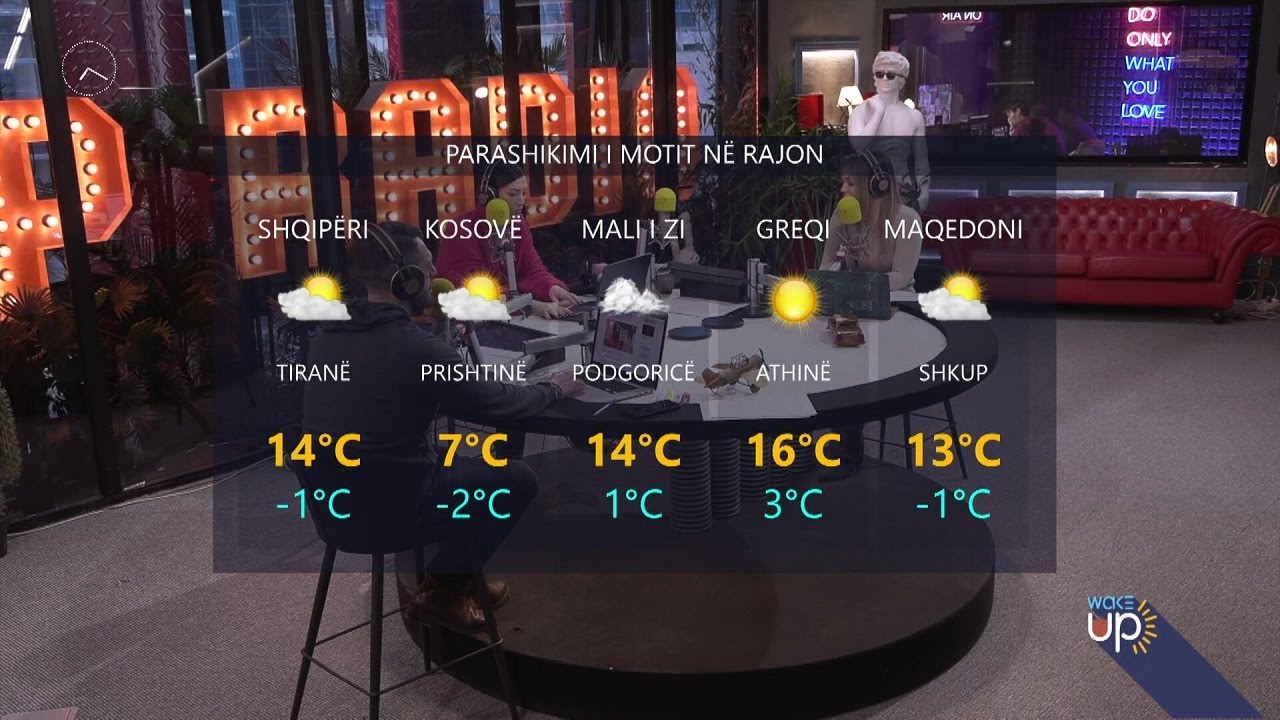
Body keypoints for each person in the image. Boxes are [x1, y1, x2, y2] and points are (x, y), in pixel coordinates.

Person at [303, 221, 583, 628]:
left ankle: (455, 576)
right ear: (408, 280)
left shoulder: (326, 337)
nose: (436, 274)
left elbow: (384, 395)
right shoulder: (417, 350)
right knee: (516, 479)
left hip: (335, 509)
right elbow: (500, 405)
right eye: (428, 266)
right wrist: (554, 389)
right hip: (396, 508)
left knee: (452, 459)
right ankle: (446, 588)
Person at [434, 161, 583, 319]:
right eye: (513, 194)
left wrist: (551, 288)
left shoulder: (517, 223)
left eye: (523, 193)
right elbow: (479, 292)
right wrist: (531, 306)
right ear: (489, 195)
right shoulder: (461, 228)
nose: (521, 201)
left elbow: (533, 270)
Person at [820, 151, 923, 291]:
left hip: (896, 296)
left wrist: (855, 285)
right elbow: (826, 266)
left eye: (850, 184)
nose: (843, 189)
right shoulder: (841, 214)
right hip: (854, 296)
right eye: (843, 183)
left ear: (876, 186)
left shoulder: (907, 219)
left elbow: (901, 277)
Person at [847, 51, 931, 211]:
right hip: (870, 190)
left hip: (904, 192)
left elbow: (921, 161)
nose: (884, 78)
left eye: (890, 75)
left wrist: (924, 195)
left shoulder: (914, 116)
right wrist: (878, 114)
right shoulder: (861, 111)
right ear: (874, 78)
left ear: (902, 81)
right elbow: (858, 146)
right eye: (879, 74)